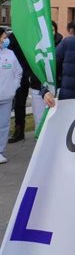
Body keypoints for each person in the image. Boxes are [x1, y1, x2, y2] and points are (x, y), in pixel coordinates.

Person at [0, 27, 22, 164]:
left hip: (6, 97)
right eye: (4, 36)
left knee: (3, 125)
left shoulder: (10, 54)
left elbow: (18, 72)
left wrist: (13, 88)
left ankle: (0, 151)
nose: (6, 39)